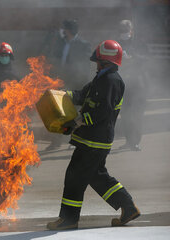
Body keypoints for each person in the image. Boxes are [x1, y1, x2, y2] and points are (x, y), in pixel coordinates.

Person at [46, 40, 140, 230]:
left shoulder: (112, 81)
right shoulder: (101, 78)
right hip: (92, 139)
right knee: (97, 176)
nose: (95, 64)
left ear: (105, 61)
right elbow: (82, 95)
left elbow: (103, 110)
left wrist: (78, 121)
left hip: (95, 140)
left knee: (75, 176)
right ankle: (128, 207)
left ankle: (69, 219)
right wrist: (62, 95)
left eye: (98, 60)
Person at [41, 19, 91, 150]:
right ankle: (56, 142)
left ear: (69, 30)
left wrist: (80, 82)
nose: (62, 31)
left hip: (75, 83)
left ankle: (74, 140)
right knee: (58, 111)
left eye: (64, 28)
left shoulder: (83, 44)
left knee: (73, 112)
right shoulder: (60, 43)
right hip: (60, 81)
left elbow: (85, 66)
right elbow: (54, 60)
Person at [117, 20, 148, 151]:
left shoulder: (139, 42)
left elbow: (146, 57)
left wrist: (132, 57)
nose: (124, 33)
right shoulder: (116, 43)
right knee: (125, 113)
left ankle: (135, 141)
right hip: (123, 83)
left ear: (131, 30)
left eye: (126, 30)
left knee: (137, 114)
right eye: (122, 30)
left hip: (137, 83)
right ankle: (128, 140)